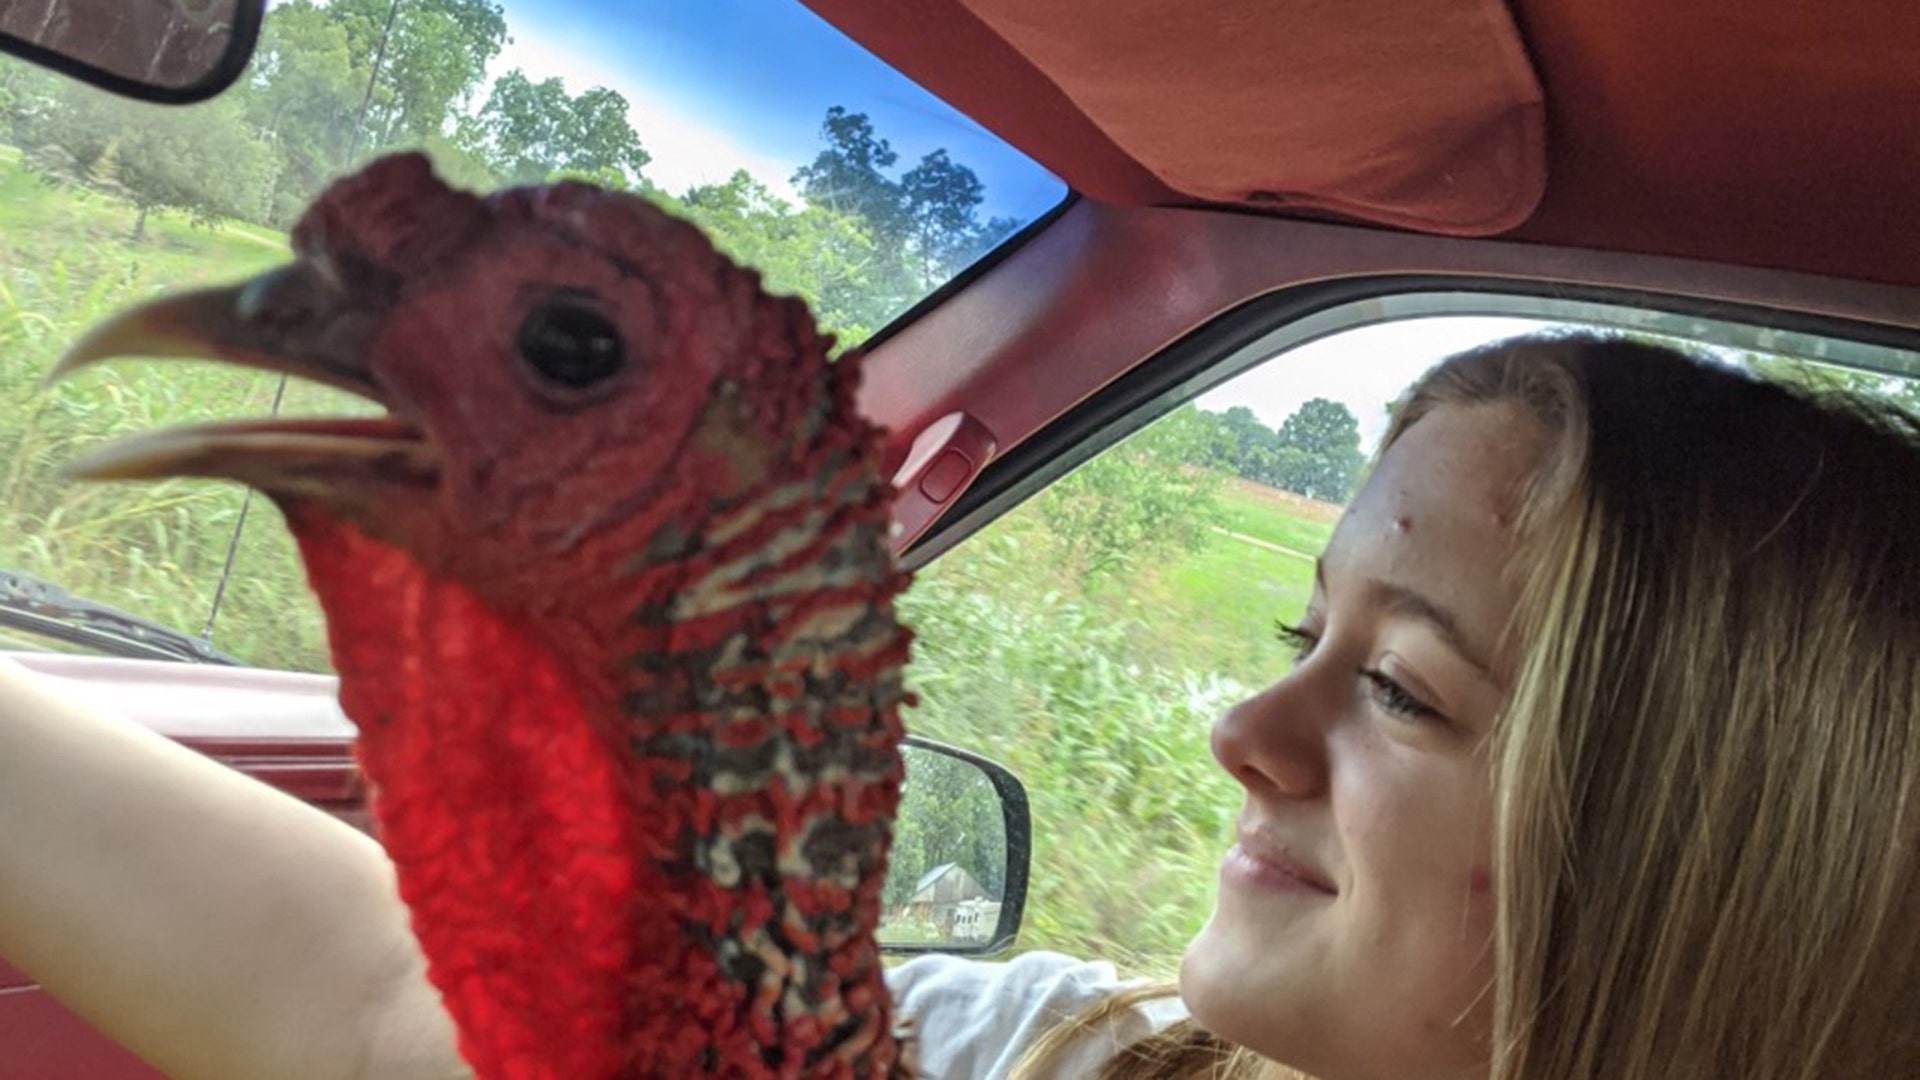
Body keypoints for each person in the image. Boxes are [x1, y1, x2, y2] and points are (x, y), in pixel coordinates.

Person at [1, 334, 1915, 1079]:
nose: (1245, 726)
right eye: (1303, 625)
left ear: (1703, 865)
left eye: (1404, 691)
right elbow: (402, 1012)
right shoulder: (1075, 1058)